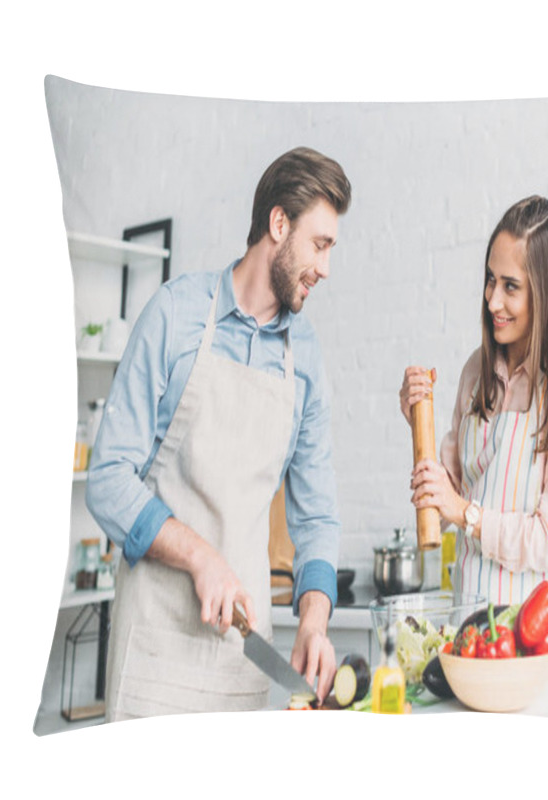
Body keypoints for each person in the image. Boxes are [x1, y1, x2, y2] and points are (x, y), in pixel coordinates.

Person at [86, 147, 352, 719]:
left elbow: (317, 517)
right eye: (320, 244)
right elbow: (107, 479)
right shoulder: (176, 315)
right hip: (154, 653)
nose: (326, 267)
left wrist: (313, 619)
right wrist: (200, 554)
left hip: (242, 663)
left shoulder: (304, 358)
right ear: (278, 225)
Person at [399, 195, 548, 674]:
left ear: (546, 293)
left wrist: (465, 513)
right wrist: (417, 425)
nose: (493, 300)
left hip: (531, 647)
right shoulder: (476, 371)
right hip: (467, 636)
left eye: (511, 286)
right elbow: (441, 508)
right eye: (491, 279)